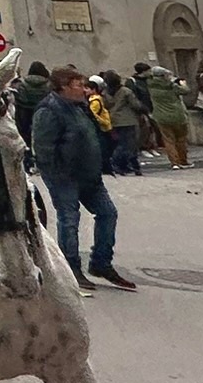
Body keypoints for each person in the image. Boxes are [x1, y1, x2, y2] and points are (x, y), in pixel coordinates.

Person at [31, 65, 137, 293]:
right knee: (69, 220)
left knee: (108, 213)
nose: (84, 89)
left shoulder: (80, 107)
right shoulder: (49, 111)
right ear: (63, 87)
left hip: (90, 175)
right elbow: (43, 149)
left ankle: (101, 263)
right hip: (65, 177)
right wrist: (58, 173)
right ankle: (70, 268)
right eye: (79, 85)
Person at [145, 65, 191, 169]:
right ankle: (183, 160)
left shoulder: (151, 86)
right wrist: (182, 84)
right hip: (177, 115)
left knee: (168, 140)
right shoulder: (172, 86)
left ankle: (174, 162)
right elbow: (186, 91)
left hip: (161, 116)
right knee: (181, 139)